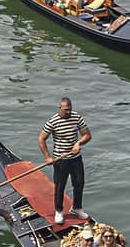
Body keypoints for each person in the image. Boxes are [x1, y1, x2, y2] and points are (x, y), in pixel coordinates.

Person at [38, 97, 91, 226]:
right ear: (60, 108)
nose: (68, 112)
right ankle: (59, 211)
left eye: (70, 110)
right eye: (66, 110)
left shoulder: (76, 117)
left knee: (79, 183)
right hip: (60, 160)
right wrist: (48, 157)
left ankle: (76, 208)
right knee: (60, 186)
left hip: (75, 158)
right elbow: (41, 139)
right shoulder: (53, 121)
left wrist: (78, 143)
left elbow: (87, 135)